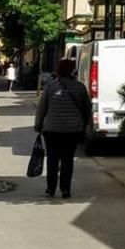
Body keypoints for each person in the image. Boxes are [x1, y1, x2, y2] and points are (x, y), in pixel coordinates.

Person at [34, 58, 92, 199]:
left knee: (52, 159)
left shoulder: (50, 86)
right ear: (73, 70)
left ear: (58, 70)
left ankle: (50, 188)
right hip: (72, 131)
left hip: (52, 130)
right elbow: (87, 108)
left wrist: (38, 125)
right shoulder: (80, 87)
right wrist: (83, 124)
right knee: (67, 160)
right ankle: (65, 189)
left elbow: (41, 109)